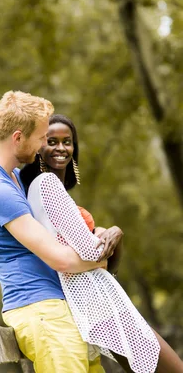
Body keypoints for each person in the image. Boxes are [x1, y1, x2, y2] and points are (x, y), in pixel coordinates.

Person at [0, 91, 118, 372]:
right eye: (40, 139)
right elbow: (60, 259)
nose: (41, 148)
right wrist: (103, 259)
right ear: (18, 137)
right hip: (41, 312)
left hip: (56, 307)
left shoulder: (11, 177)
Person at [20, 114, 183, 373]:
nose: (61, 148)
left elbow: (103, 261)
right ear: (38, 146)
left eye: (67, 141)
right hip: (96, 303)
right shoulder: (47, 183)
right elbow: (91, 252)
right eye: (51, 141)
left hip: (99, 301)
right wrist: (114, 232)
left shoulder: (46, 189)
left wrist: (105, 235)